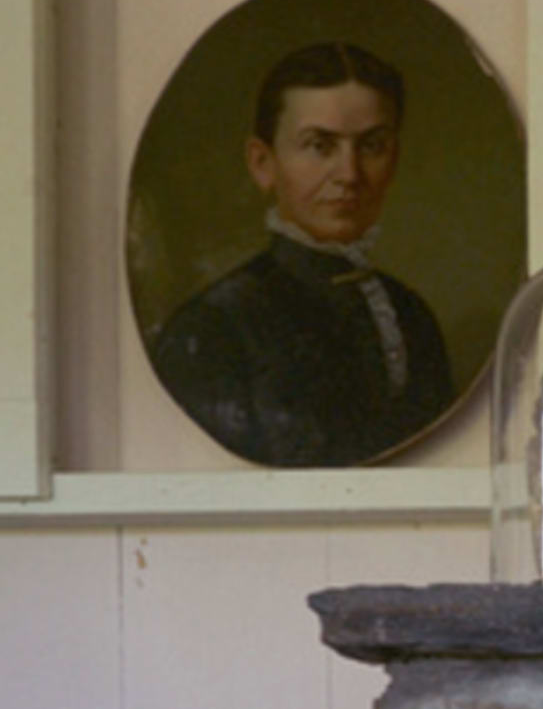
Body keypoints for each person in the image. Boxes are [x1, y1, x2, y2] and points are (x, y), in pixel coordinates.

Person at [145, 42, 455, 466]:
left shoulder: (412, 316)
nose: (349, 175)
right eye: (319, 146)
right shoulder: (213, 328)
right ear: (262, 163)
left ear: (394, 157)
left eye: (371, 146)